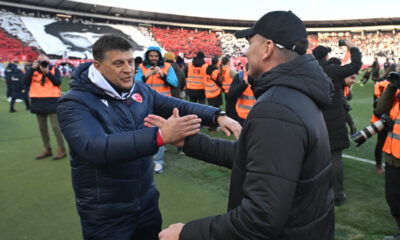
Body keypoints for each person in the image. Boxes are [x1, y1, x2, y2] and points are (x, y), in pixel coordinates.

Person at [155, 11, 335, 240]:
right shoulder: (295, 95)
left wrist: (186, 234)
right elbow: (257, 161)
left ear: (267, 48)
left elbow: (260, 219)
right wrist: (189, 141)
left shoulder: (276, 108)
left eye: (250, 44)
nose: (246, 51)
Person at [56, 34, 241, 240]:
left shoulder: (140, 89)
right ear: (98, 66)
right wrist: (161, 135)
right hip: (106, 213)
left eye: (130, 62)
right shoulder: (74, 103)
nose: (128, 69)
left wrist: (217, 116)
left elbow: (178, 105)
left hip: (146, 202)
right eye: (118, 63)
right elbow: (96, 148)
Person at [313, 39, 362, 206]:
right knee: (335, 157)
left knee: (315, 157)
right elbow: (355, 66)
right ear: (326, 56)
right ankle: (337, 195)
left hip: (312, 119)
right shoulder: (330, 70)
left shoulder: (308, 70)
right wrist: (352, 47)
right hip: (333, 119)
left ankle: (317, 192)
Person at [135, 46, 178, 173]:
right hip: (144, 103)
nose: (153, 58)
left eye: (156, 56)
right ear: (147, 56)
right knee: (142, 131)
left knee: (160, 133)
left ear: (160, 56)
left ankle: (158, 162)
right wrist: (146, 76)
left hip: (162, 105)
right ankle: (144, 159)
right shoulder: (142, 67)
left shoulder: (167, 67)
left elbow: (175, 83)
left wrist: (162, 74)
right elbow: (135, 83)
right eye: (151, 56)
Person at [24, 54, 66, 160]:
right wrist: (31, 69)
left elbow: (58, 82)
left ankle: (61, 149)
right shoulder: (33, 70)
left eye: (45, 61)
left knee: (56, 127)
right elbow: (25, 82)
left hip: (52, 101)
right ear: (36, 62)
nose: (43, 64)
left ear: (49, 62)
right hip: (38, 101)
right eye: (40, 62)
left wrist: (47, 73)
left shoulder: (54, 69)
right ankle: (47, 149)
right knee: (42, 128)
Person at [375, 73, 400, 240]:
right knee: (393, 199)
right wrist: (392, 87)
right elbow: (380, 109)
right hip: (393, 157)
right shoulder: (397, 92)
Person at [371, 78, 391, 174]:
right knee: (390, 144)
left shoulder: (379, 84)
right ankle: (388, 166)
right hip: (390, 120)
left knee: (380, 143)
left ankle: (378, 166)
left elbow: (375, 103)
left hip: (378, 119)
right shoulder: (394, 86)